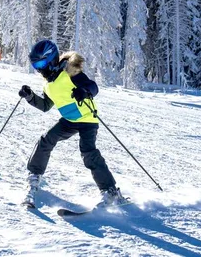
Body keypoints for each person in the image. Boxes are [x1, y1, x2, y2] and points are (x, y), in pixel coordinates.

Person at [19, 39, 125, 207]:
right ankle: (34, 176)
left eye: (41, 63)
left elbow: (93, 86)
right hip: (69, 120)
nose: (39, 69)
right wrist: (30, 96)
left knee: (88, 152)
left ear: (52, 59)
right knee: (46, 140)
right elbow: (46, 106)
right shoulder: (48, 85)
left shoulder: (69, 73)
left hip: (87, 119)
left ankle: (111, 191)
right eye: (35, 65)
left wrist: (84, 91)